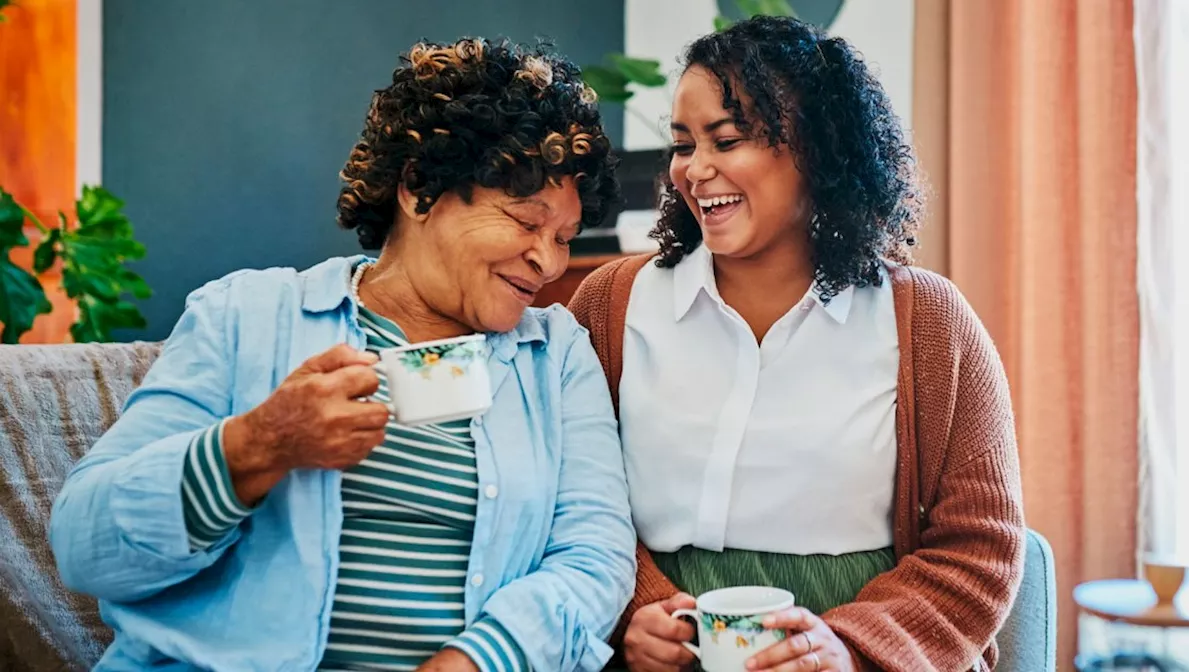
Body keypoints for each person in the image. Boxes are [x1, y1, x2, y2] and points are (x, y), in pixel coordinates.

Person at [50, 37, 635, 672]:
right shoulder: (248, 315)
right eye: (526, 222)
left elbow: (593, 557)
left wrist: (479, 660)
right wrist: (254, 446)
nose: (549, 262)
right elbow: (85, 544)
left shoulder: (554, 355)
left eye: (564, 238)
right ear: (419, 191)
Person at [569, 16, 1024, 672]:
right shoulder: (611, 307)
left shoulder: (928, 323)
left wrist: (852, 649)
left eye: (726, 140)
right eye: (682, 144)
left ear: (816, 148)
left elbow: (980, 548)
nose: (695, 170)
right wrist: (633, 612)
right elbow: (572, 504)